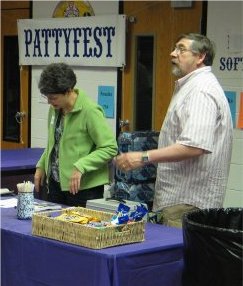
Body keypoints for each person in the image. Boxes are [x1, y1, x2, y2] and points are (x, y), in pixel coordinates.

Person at [115, 33, 233, 227]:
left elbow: (194, 146)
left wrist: (142, 157)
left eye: (181, 49)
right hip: (181, 200)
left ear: (200, 57)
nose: (172, 53)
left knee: (179, 257)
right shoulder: (192, 86)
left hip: (187, 203)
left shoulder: (201, 90)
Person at [34, 63, 118, 207]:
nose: (49, 101)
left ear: (68, 91)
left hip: (83, 188)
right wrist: (41, 166)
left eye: (53, 97)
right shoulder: (55, 108)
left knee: (77, 229)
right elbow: (54, 143)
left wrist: (81, 166)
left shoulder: (90, 111)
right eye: (47, 97)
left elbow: (110, 148)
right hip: (55, 184)